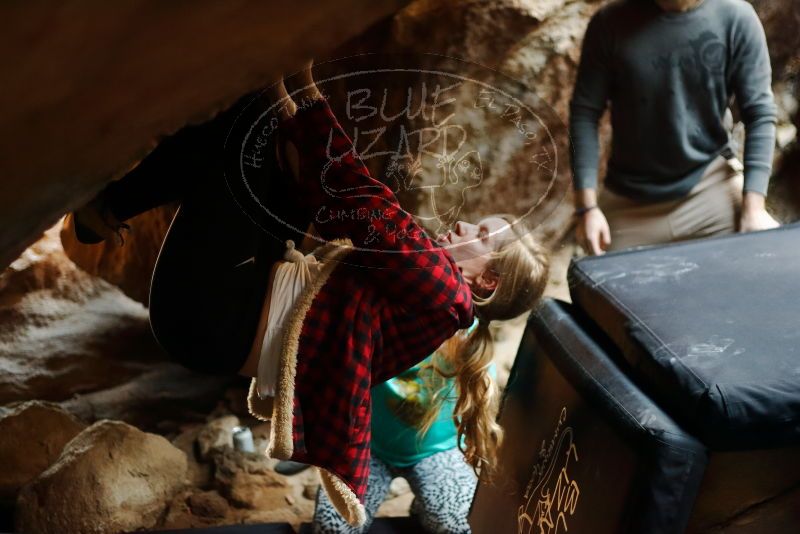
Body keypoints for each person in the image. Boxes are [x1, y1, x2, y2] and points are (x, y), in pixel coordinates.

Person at [68, 64, 549, 527]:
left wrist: (307, 92)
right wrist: (287, 102)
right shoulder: (439, 295)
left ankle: (110, 207)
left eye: (481, 236)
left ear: (486, 282)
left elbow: (365, 206)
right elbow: (342, 210)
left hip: (209, 319)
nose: (465, 226)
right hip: (237, 300)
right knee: (256, 128)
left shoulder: (443, 293)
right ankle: (106, 211)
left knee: (240, 132)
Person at [570, 0, 780, 255]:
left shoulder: (736, 18)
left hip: (709, 186)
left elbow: (759, 113)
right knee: (592, 288)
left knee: (768, 261)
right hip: (630, 202)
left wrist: (754, 207)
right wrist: (587, 209)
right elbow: (584, 114)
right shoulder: (609, 23)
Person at [312, 326, 489, 534]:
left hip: (438, 448)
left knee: (462, 527)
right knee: (331, 529)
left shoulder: (468, 323)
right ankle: (428, 504)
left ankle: (425, 505)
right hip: (367, 444)